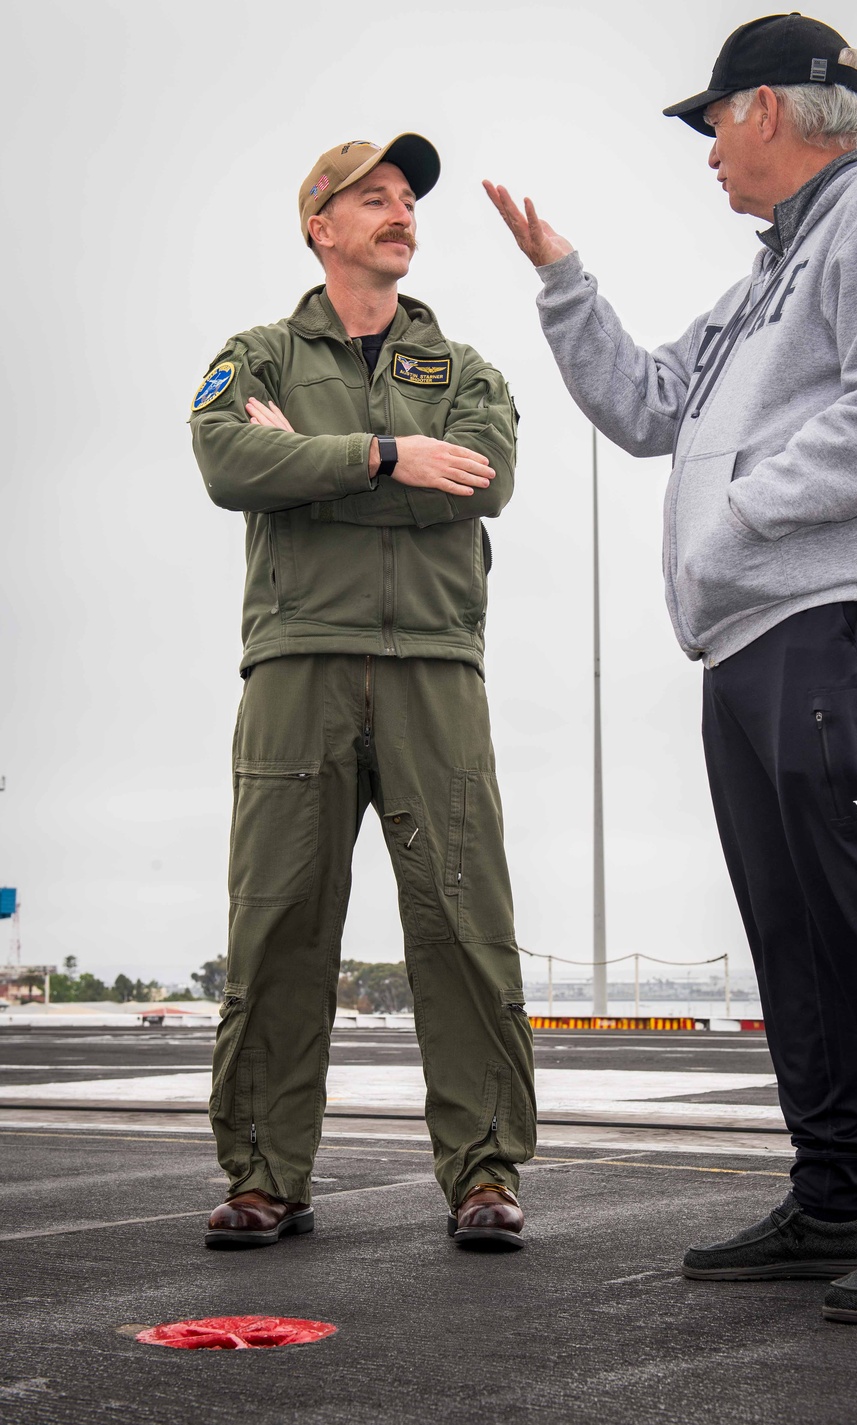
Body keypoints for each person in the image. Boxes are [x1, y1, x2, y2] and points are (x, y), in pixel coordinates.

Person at [485, 13, 857, 1322]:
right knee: (795, 936)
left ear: (768, 109)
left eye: (713, 120)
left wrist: (750, 508)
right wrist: (564, 279)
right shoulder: (766, 273)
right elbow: (650, 404)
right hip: (747, 641)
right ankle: (830, 1201)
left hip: (837, 615)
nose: (708, 148)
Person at [191, 133, 535, 1254]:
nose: (398, 213)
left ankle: (483, 1176)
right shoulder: (257, 355)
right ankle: (263, 1177)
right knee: (280, 922)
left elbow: (480, 483)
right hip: (298, 665)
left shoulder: (468, 370)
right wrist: (391, 457)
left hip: (436, 666)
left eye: (406, 200)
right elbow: (227, 465)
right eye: (372, 199)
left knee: (464, 921)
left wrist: (318, 465)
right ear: (319, 227)